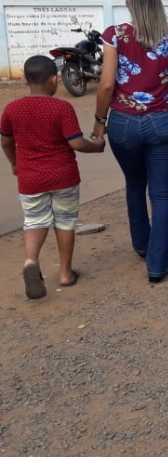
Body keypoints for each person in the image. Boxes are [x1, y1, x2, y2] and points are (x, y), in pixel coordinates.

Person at [93, 0, 168, 284]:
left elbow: (106, 84)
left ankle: (141, 245)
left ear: (129, 2)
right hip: (163, 121)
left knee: (135, 183)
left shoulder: (115, 35)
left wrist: (99, 121)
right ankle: (157, 266)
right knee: (161, 195)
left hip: (123, 121)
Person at [0, 55, 106, 299]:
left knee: (34, 221)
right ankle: (66, 274)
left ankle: (30, 260)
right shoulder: (61, 108)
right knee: (65, 222)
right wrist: (97, 146)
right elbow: (76, 143)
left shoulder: (12, 109)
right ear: (54, 80)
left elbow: (5, 141)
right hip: (63, 176)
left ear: (25, 80)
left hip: (30, 178)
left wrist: (15, 163)